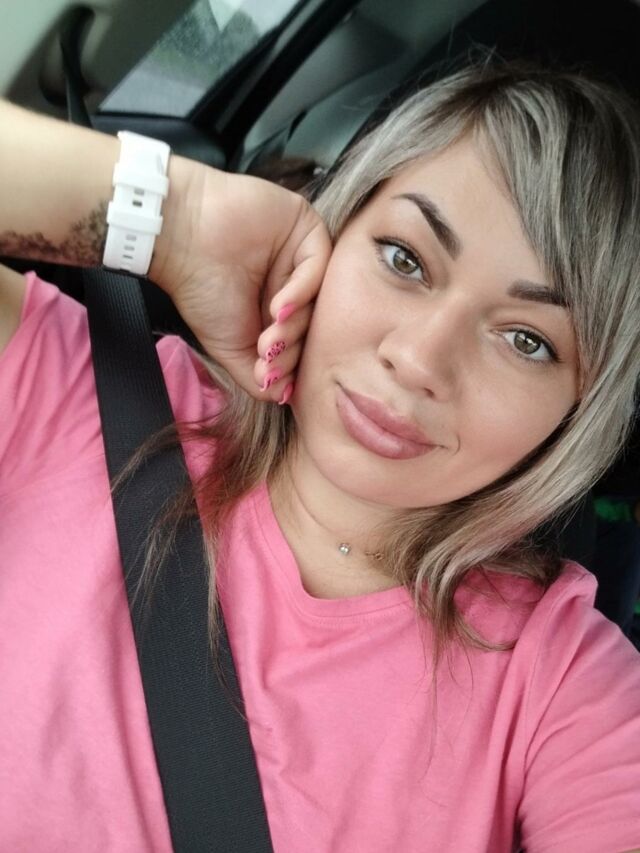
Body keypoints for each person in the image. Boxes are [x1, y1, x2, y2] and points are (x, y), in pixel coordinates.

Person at [1, 61, 639, 853]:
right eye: (404, 258)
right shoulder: (82, 397)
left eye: (526, 340)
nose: (418, 358)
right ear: (332, 228)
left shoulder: (563, 685)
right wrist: (177, 215)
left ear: (578, 411)